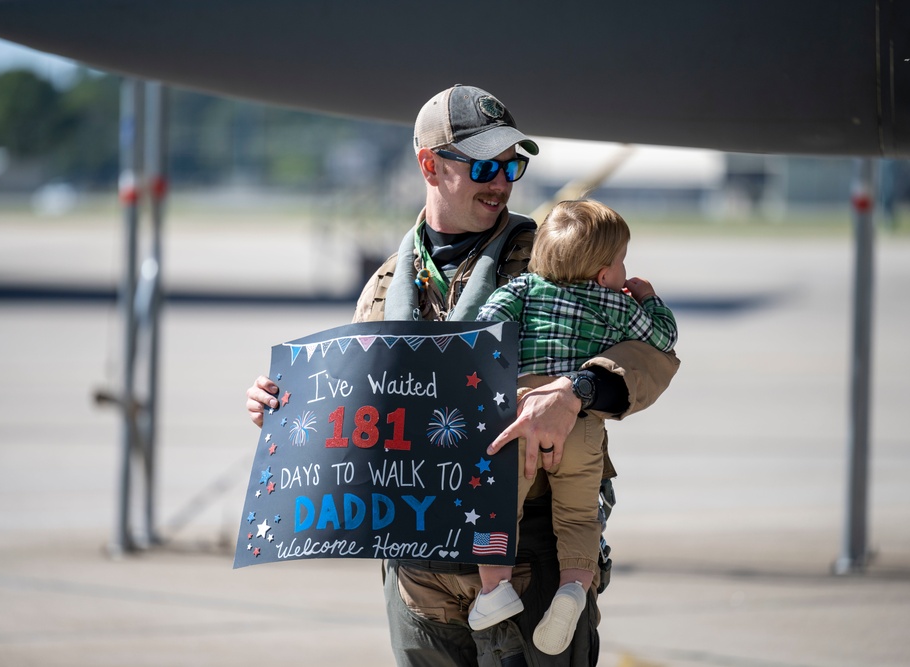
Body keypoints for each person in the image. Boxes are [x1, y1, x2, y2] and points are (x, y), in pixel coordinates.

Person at [246, 84, 680, 667]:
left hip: (526, 547)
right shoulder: (385, 283)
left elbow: (647, 355)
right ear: (429, 165)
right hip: (417, 567)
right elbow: (361, 398)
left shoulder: (549, 257)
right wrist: (286, 409)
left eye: (511, 165)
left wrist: (579, 391)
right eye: (483, 165)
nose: (501, 181)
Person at [470, 199, 678, 654]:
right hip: (579, 425)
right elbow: (663, 338)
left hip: (520, 418)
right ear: (604, 274)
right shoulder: (615, 304)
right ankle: (572, 588)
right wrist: (648, 298)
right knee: (580, 517)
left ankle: (493, 590)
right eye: (622, 262)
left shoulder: (523, 289)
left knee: (497, 508)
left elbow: (483, 331)